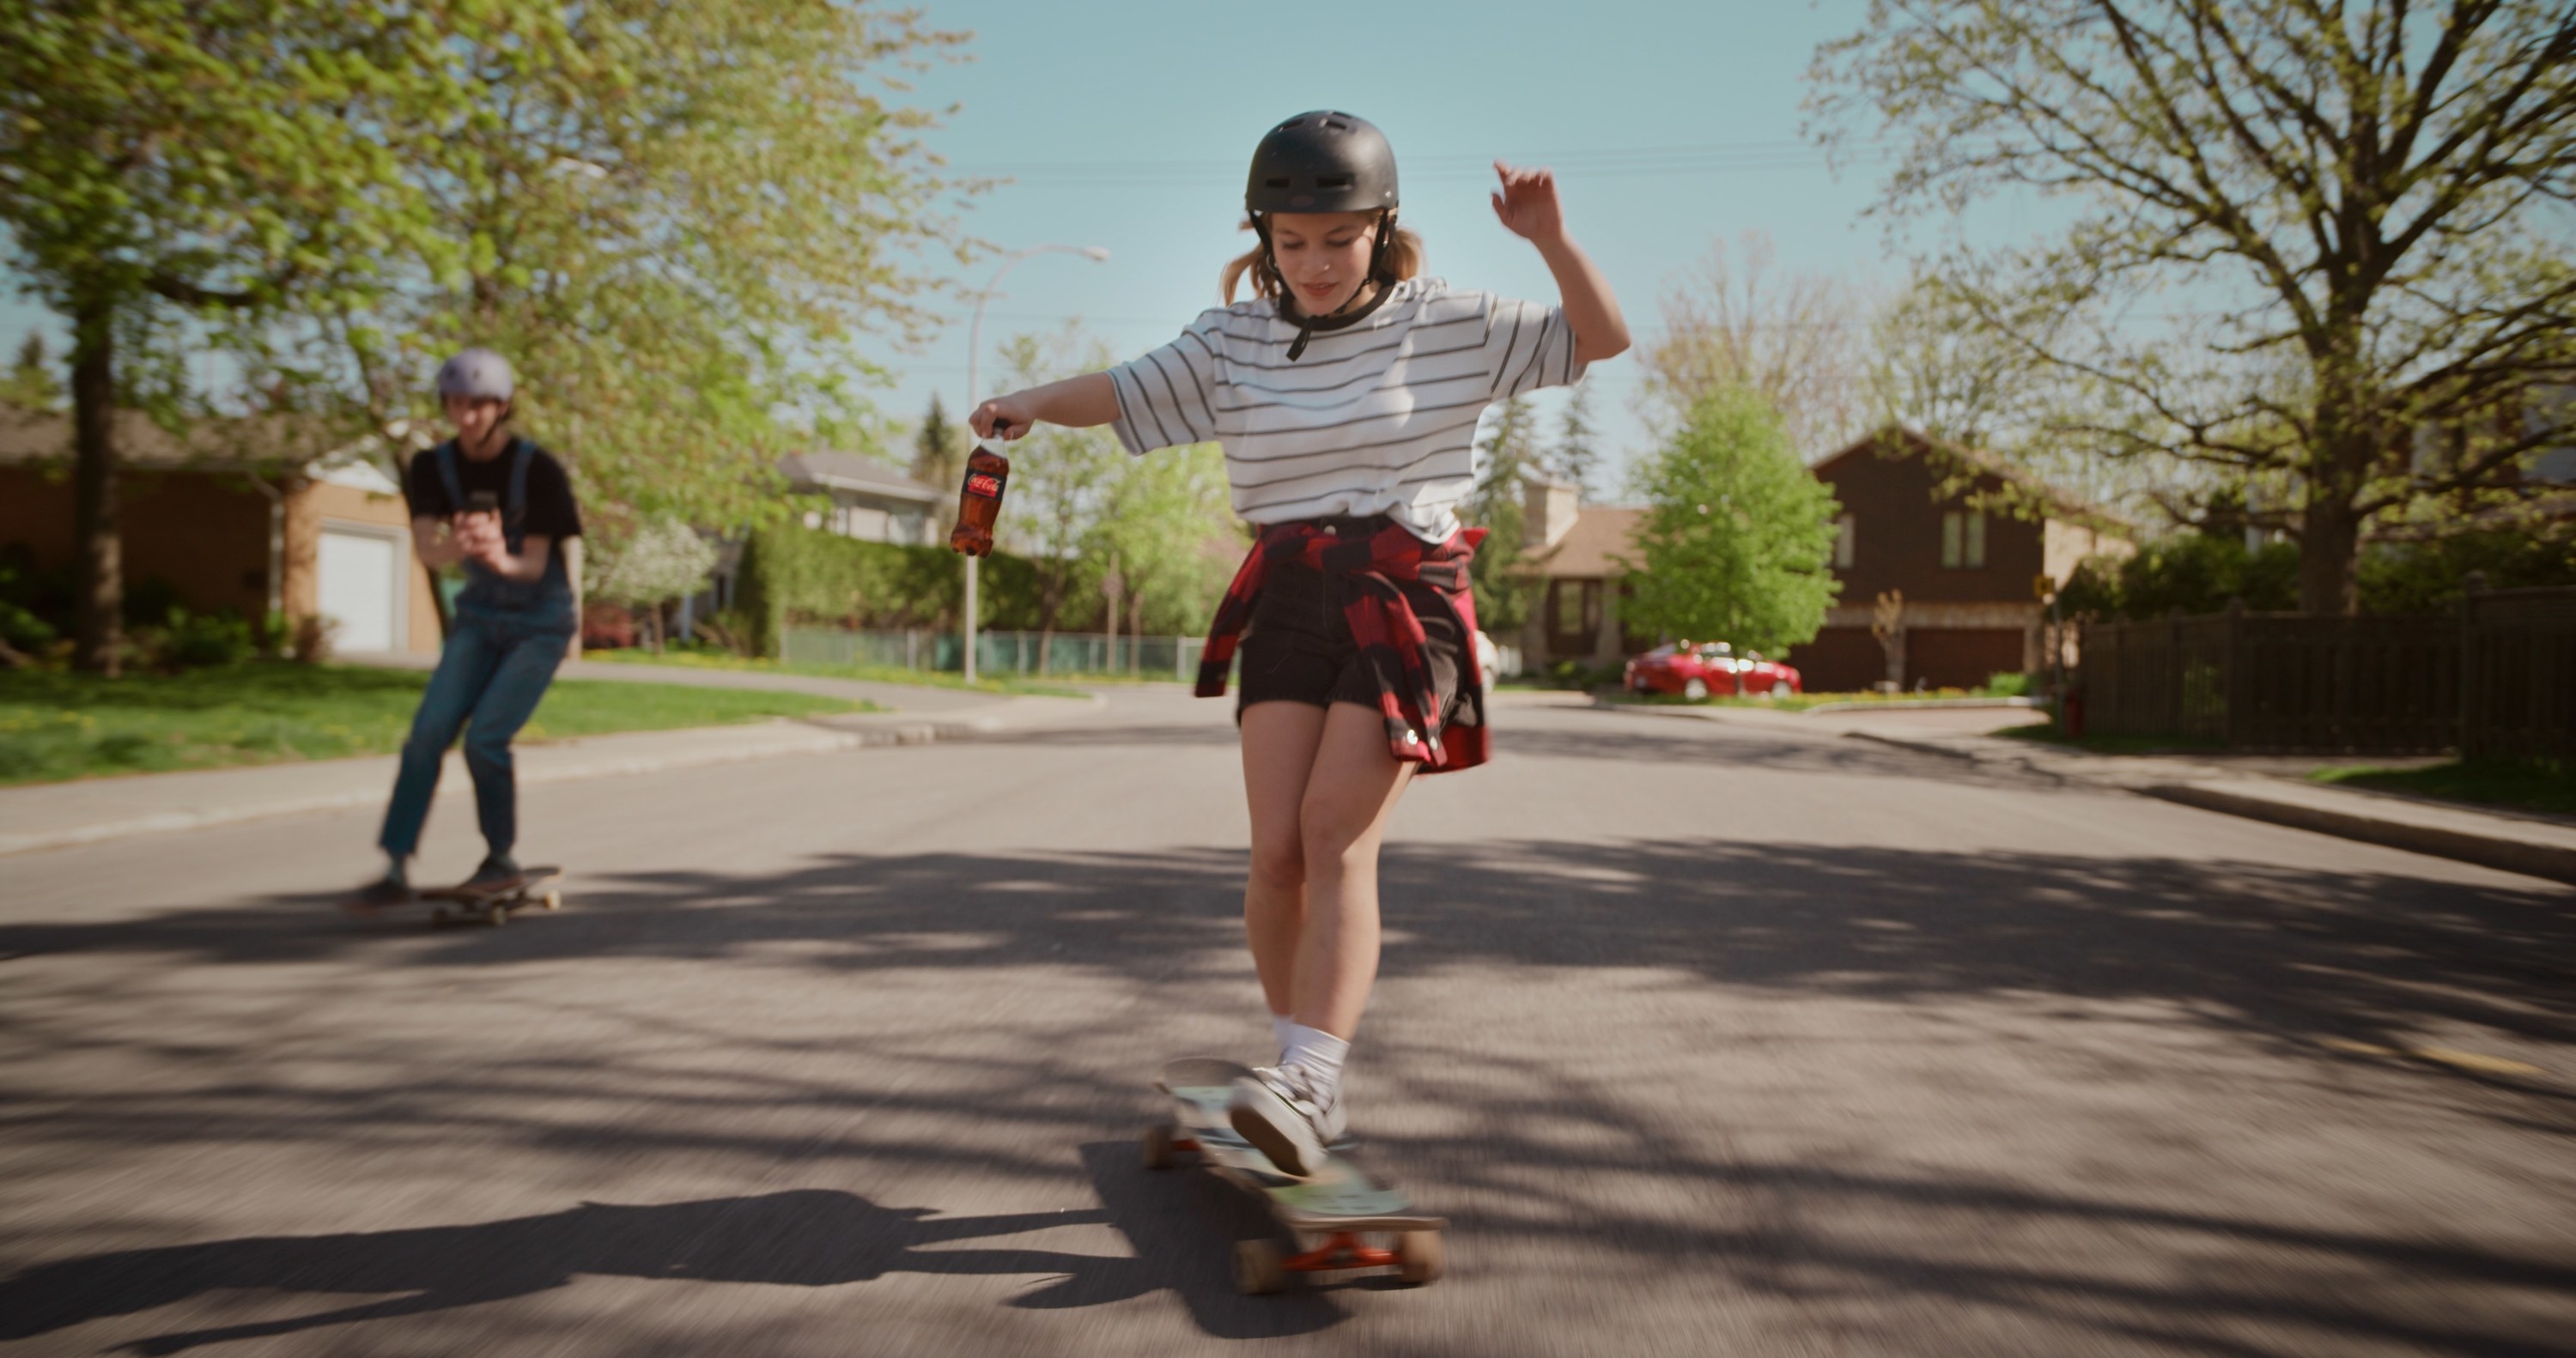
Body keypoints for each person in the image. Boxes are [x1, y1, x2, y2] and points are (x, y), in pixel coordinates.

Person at [969, 112, 1627, 1174]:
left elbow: (1599, 339)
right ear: (1263, 238)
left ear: (1382, 228)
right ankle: (1296, 1074)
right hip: (1286, 591)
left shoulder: (1446, 321)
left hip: (1404, 595)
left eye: (1338, 238)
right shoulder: (1230, 341)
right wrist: (1030, 403)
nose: (1314, 263)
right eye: (1291, 241)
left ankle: (1313, 1079)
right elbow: (1127, 390)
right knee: (1275, 853)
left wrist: (1550, 238)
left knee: (1335, 834)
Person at [349, 348, 585, 911]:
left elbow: (533, 563)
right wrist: (463, 545)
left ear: (502, 406)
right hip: (479, 612)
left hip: (540, 619)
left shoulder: (538, 469)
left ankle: (499, 856)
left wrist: (499, 555)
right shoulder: (432, 467)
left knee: (484, 739)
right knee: (427, 733)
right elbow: (430, 551)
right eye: (457, 403)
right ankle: (395, 865)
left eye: (479, 405)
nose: (467, 415)